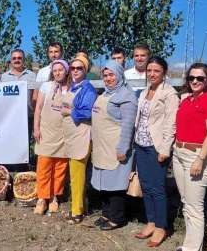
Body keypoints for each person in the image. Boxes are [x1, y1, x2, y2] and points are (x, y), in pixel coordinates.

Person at [173, 63, 207, 251]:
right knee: (186, 202)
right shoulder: (186, 101)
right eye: (191, 78)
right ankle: (190, 245)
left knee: (194, 207)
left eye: (199, 78)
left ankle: (193, 248)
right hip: (179, 153)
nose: (195, 81)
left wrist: (200, 159)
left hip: (196, 155)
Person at [133, 57, 179, 247]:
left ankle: (161, 226)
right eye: (149, 70)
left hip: (156, 147)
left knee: (158, 188)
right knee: (145, 185)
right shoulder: (145, 92)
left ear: (164, 73)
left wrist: (165, 149)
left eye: (156, 71)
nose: (152, 74)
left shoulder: (169, 94)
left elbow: (171, 123)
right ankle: (151, 221)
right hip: (141, 144)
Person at [90, 60, 138, 230]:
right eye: (105, 75)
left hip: (115, 148)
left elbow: (128, 125)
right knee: (103, 183)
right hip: (101, 148)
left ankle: (117, 217)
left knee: (116, 185)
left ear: (119, 75)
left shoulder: (126, 96)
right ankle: (106, 213)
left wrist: (122, 148)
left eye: (111, 75)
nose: (108, 78)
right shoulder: (104, 94)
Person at [61, 56, 97, 224]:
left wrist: (70, 112)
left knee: (77, 176)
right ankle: (81, 206)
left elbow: (89, 113)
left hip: (81, 135)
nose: (75, 70)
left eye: (79, 68)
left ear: (85, 71)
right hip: (72, 136)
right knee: (76, 174)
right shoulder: (75, 87)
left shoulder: (88, 89)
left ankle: (77, 212)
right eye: (73, 68)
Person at [33, 59, 71, 215]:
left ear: (66, 71)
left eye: (60, 70)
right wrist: (36, 128)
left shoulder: (71, 88)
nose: (57, 73)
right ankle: (42, 198)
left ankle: (54, 197)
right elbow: (38, 108)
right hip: (46, 132)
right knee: (44, 166)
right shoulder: (46, 86)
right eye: (55, 70)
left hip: (63, 134)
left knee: (60, 168)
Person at [1, 49, 37, 114]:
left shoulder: (32, 76)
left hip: (28, 116)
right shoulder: (3, 77)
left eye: (19, 58)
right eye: (14, 58)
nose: (16, 60)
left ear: (23, 60)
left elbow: (35, 98)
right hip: (9, 116)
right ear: (11, 60)